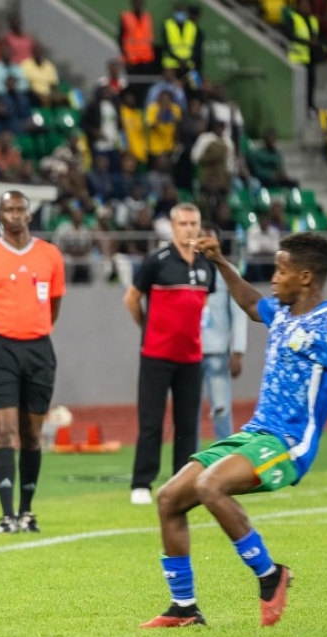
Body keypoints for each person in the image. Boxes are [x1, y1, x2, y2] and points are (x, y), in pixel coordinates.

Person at [142, 232, 327, 628]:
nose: (273, 277)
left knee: (208, 486)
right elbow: (250, 303)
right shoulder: (282, 312)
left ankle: (271, 576)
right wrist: (219, 261)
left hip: (287, 444)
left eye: (280, 270)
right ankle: (184, 608)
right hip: (254, 435)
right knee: (169, 498)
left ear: (305, 277)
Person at [0, 191, 66, 534]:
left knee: (32, 435)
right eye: (10, 209)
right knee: (4, 433)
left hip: (38, 350)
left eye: (21, 208)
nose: (16, 214)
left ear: (30, 214)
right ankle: (7, 515)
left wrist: (36, 329)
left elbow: (54, 304)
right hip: (0, 350)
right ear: (0, 215)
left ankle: (27, 511)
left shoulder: (50, 255)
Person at [123, 203, 214, 505]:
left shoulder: (206, 265)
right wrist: (146, 328)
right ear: (173, 227)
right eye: (183, 223)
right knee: (151, 421)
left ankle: (182, 482)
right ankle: (141, 483)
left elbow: (204, 308)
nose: (189, 228)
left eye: (194, 223)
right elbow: (132, 299)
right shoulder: (157, 261)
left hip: (191, 357)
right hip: (156, 355)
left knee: (187, 424)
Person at [198, 223, 247, 440]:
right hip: (188, 353)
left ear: (218, 243)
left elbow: (239, 313)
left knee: (221, 409)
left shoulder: (229, 272)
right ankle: (187, 461)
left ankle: (224, 462)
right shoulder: (184, 270)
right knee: (187, 411)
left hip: (217, 351)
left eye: (209, 239)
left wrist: (238, 351)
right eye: (201, 238)